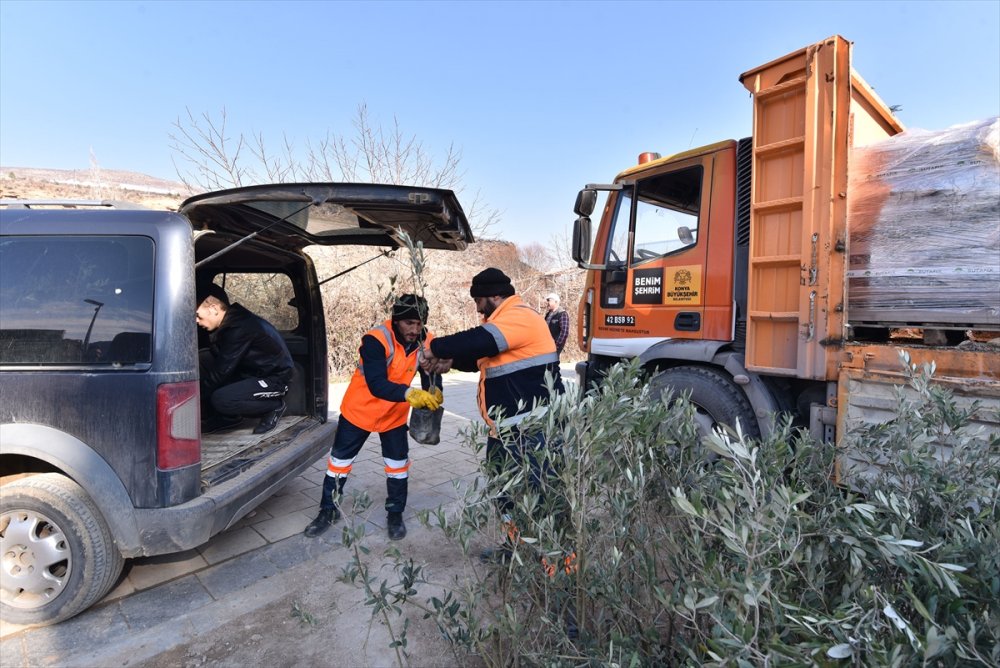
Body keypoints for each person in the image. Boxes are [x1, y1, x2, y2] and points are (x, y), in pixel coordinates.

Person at [420, 268, 563, 533]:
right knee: (503, 492)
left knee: (539, 496)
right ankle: (514, 548)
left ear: (494, 295)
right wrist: (451, 362)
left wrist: (434, 349)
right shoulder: (502, 323)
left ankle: (553, 563)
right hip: (504, 429)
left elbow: (478, 340)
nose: (477, 308)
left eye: (478, 301)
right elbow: (482, 357)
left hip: (532, 429)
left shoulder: (520, 316)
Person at [304, 294, 443, 541]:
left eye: (420, 324)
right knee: (339, 464)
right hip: (359, 412)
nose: (415, 329)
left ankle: (395, 514)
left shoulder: (426, 340)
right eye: (409, 323)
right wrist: (411, 393)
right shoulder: (376, 340)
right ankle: (327, 511)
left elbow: (429, 369)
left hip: (394, 416)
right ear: (396, 320)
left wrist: (434, 386)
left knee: (398, 467)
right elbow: (377, 384)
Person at [196, 284, 293, 435]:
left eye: (198, 316)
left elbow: (221, 372)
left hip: (274, 379)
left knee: (222, 399)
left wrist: (193, 399)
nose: (196, 321)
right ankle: (227, 418)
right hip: (251, 372)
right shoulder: (230, 323)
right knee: (203, 359)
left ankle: (274, 406)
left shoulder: (240, 328)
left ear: (214, 309)